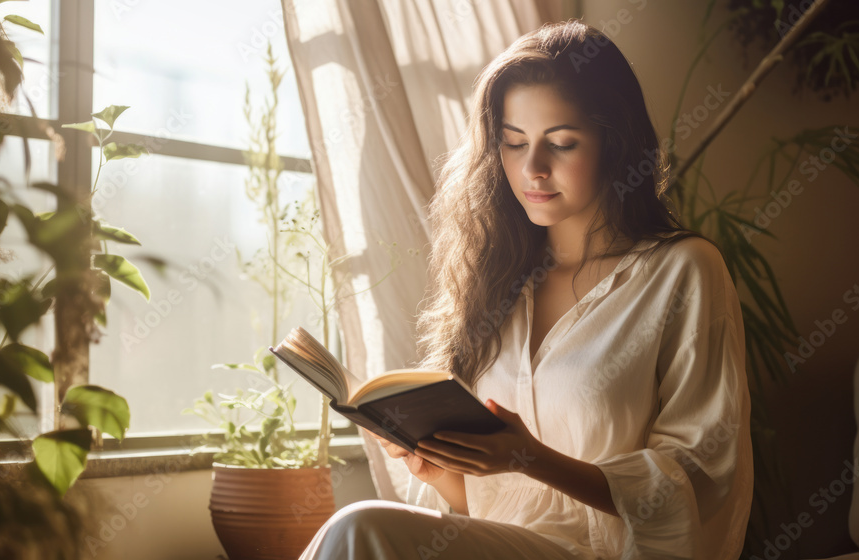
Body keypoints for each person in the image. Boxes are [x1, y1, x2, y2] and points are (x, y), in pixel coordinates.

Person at [298, 18, 753, 560]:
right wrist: (441, 472)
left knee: (359, 529)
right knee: (363, 531)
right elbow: (489, 510)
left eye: (561, 143)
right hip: (509, 548)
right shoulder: (499, 280)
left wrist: (531, 458)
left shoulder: (683, 271)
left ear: (615, 142)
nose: (532, 168)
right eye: (513, 144)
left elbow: (701, 477)